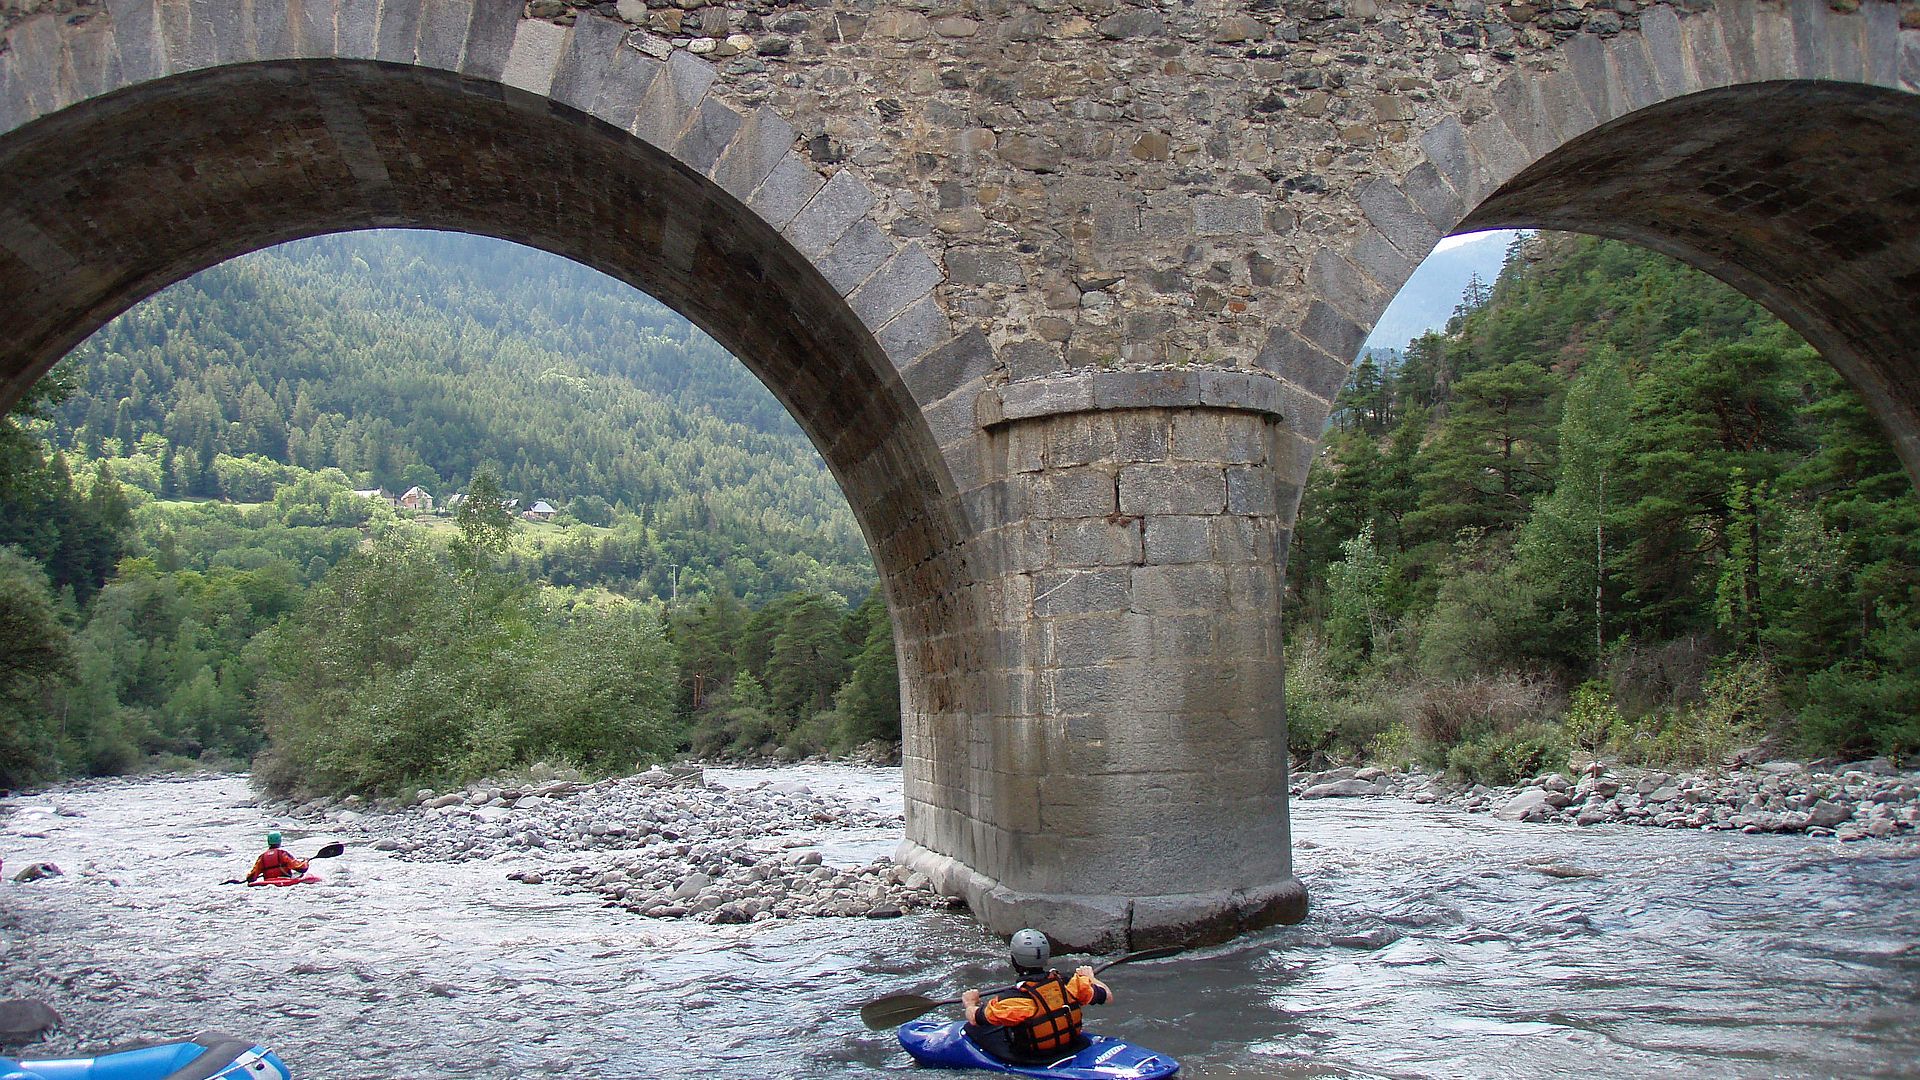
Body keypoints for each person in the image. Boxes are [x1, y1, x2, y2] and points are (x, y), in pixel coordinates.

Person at [960, 928, 1112, 1064]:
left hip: (1037, 1058)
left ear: (1014, 960)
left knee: (971, 1029)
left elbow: (974, 1018)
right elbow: (1108, 996)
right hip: (1072, 1045)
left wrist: (970, 1003)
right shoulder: (1070, 984)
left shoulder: (1012, 1001)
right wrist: (1090, 977)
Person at [244, 832, 308, 884]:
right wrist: (305, 862)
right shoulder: (283, 854)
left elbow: (251, 878)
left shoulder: (262, 857)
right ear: (279, 841)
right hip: (284, 881)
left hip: (268, 882)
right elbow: (301, 868)